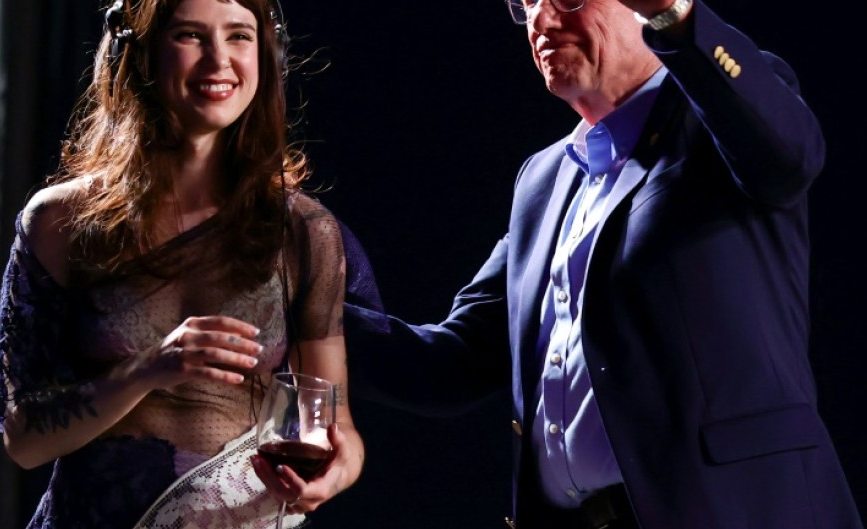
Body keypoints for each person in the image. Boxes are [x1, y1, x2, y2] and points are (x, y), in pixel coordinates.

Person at [343, 0, 864, 528]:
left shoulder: (721, 118)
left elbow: (790, 158)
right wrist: (291, 312)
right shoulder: (543, 181)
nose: (543, 22)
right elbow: (452, 364)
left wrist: (677, 16)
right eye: (528, 4)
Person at [0, 0, 364, 527]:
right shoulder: (61, 222)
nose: (219, 61)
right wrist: (149, 368)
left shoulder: (303, 231)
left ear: (268, 54)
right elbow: (25, 439)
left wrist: (336, 471)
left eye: (239, 36)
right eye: (191, 36)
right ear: (141, 54)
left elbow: (334, 426)